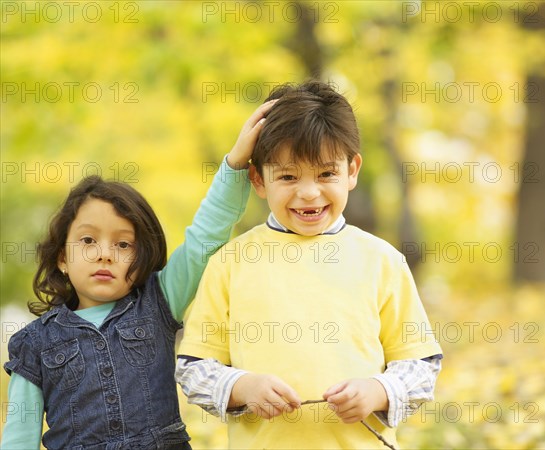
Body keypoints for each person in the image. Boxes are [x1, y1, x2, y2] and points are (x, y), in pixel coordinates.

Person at [175, 80, 443, 450]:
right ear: (258, 179)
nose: (309, 193)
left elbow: (421, 365)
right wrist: (240, 387)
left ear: (352, 170)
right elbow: (193, 367)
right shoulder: (231, 263)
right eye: (287, 176)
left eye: (326, 174)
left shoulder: (381, 261)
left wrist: (379, 390)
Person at [1, 101, 276, 450]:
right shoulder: (34, 343)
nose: (104, 253)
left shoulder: (160, 301)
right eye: (88, 240)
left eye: (123, 244)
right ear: (62, 259)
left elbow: (204, 239)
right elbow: (18, 438)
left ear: (142, 257)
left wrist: (235, 164)